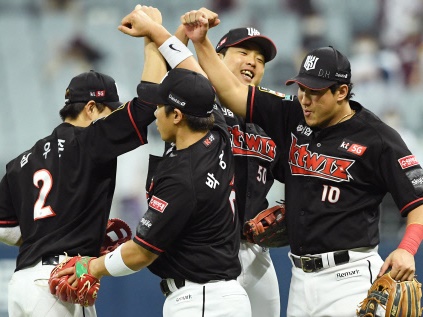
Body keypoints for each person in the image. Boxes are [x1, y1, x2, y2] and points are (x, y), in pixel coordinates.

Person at [178, 10, 423, 317]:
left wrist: (407, 248)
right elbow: (234, 92)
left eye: (315, 92)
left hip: (351, 277)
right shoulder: (292, 114)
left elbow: (418, 200)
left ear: (341, 92)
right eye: (302, 88)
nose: (305, 99)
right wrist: (201, 43)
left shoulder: (377, 138)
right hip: (300, 279)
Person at [56, 7, 251, 317]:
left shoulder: (182, 178)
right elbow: (193, 78)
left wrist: (90, 266)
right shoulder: (216, 131)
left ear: (176, 115)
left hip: (201, 300)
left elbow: (140, 253)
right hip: (217, 294)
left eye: (161, 107)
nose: (154, 113)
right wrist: (156, 35)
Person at [0, 6, 166, 316]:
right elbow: (146, 106)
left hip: (23, 283)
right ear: (91, 108)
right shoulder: (91, 141)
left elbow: (6, 230)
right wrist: (152, 38)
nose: (110, 118)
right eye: (108, 110)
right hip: (59, 280)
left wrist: (57, 230)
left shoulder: (20, 161)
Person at [193, 25, 283, 317]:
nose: (252, 61)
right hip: (210, 248)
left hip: (257, 251)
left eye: (260, 58)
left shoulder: (271, 119)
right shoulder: (201, 104)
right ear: (216, 58)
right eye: (243, 52)